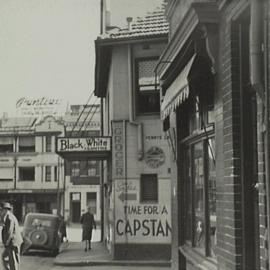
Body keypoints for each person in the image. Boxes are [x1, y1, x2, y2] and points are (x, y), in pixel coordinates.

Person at [1, 202, 23, 270]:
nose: (1, 211)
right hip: (12, 242)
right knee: (5, 257)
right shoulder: (8, 217)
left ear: (5, 210)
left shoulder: (9, 218)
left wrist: (6, 243)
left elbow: (9, 232)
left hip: (12, 243)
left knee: (13, 261)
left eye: (1, 210)